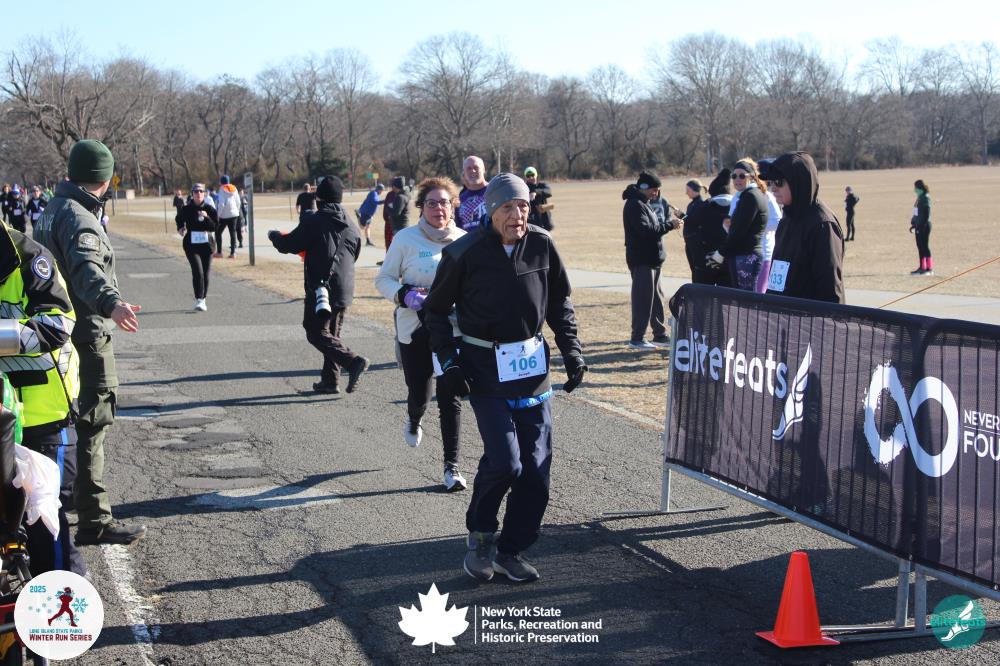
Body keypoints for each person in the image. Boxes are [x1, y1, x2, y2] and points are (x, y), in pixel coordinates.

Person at [424, 173, 586, 584]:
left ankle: (511, 549)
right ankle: (481, 537)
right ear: (492, 211)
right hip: (484, 370)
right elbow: (435, 311)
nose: (518, 215)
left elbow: (560, 302)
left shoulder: (542, 244)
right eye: (509, 207)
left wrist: (572, 351)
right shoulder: (465, 252)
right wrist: (450, 361)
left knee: (536, 469)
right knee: (506, 463)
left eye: (524, 206)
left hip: (533, 371)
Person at [32, 139, 146, 545]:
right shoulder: (79, 217)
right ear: (104, 179)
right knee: (94, 420)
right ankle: (94, 519)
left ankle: (67, 502)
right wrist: (111, 303)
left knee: (67, 421)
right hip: (85, 332)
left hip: (56, 332)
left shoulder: (51, 209)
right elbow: (87, 270)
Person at [0, 223, 87, 576]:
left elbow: (57, 325)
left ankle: (64, 598)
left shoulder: (31, 258)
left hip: (44, 416)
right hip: (3, 415)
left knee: (45, 524)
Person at [374, 177, 467, 491]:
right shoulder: (406, 239)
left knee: (450, 395)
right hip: (414, 328)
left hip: (452, 330)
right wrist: (404, 295)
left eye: (444, 202)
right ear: (421, 207)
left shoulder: (465, 240)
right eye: (431, 203)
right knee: (420, 393)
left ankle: (451, 468)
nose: (438, 208)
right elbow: (384, 279)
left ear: (453, 206)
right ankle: (414, 418)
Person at [268, 176, 369, 394]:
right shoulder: (352, 225)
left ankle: (353, 362)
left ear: (319, 198)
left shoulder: (315, 221)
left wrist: (274, 236)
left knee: (315, 332)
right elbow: (355, 254)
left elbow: (290, 244)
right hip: (344, 287)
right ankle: (330, 381)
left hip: (322, 287)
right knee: (331, 335)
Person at [763, 151, 845, 303]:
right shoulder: (786, 219)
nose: (773, 188)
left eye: (779, 182)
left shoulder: (822, 225)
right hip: (781, 313)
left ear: (798, 182)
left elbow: (830, 290)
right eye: (771, 182)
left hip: (809, 316)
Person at [622, 171, 679, 350]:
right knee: (643, 299)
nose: (656, 193)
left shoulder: (645, 203)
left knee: (656, 298)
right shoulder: (634, 204)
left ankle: (659, 335)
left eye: (658, 190)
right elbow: (646, 231)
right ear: (644, 188)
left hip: (654, 260)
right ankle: (637, 338)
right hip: (642, 260)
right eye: (654, 189)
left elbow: (653, 227)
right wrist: (670, 225)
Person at [707, 159, 768, 291]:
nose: (737, 179)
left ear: (751, 177)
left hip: (746, 256)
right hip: (746, 254)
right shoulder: (750, 194)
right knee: (744, 299)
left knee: (744, 300)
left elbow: (738, 231)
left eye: (742, 176)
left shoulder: (750, 196)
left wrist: (720, 253)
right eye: (734, 176)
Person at [682, 173, 732, 286]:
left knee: (704, 292)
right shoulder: (737, 205)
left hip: (706, 259)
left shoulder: (704, 206)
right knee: (727, 293)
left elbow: (691, 222)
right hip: (729, 258)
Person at [176, 184, 218, 311]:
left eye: (201, 191)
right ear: (192, 194)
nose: (198, 193)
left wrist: (206, 217)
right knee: (198, 271)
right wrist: (180, 227)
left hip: (207, 246)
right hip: (191, 246)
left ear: (204, 193)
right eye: (195, 191)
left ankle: (203, 299)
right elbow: (179, 218)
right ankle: (199, 299)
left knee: (205, 273)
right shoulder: (187, 209)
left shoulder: (210, 209)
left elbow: (215, 227)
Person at [456, 156, 488, 232]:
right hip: (468, 239)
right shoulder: (460, 199)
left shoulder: (494, 191)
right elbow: (458, 228)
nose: (473, 171)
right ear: (464, 173)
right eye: (469, 168)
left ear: (483, 170)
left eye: (476, 167)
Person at [215, 175, 242, 259]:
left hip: (224, 215)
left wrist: (218, 215)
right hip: (234, 214)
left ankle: (219, 252)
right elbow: (238, 202)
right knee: (232, 233)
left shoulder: (222, 189)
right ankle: (233, 253)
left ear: (221, 182)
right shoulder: (234, 188)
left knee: (218, 232)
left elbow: (221, 204)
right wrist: (236, 211)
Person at [910, 179, 932, 276]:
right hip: (918, 225)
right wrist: (914, 223)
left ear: (919, 188)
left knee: (925, 247)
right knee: (920, 246)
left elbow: (926, 213)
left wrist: (923, 225)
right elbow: (916, 212)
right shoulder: (919, 198)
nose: (914, 189)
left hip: (924, 226)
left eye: (915, 187)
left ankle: (929, 268)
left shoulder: (925, 198)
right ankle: (922, 267)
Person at [383, 176, 410, 251]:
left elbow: (396, 213)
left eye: (393, 186)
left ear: (395, 186)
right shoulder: (403, 195)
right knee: (401, 248)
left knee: (400, 249)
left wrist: (388, 208)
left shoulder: (400, 197)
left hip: (400, 227)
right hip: (400, 227)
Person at [523, 167, 553, 231]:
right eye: (528, 176)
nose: (531, 177)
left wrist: (536, 192)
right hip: (531, 220)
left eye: (532, 175)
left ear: (536, 175)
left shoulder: (542, 185)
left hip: (545, 218)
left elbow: (549, 192)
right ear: (525, 177)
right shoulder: (524, 187)